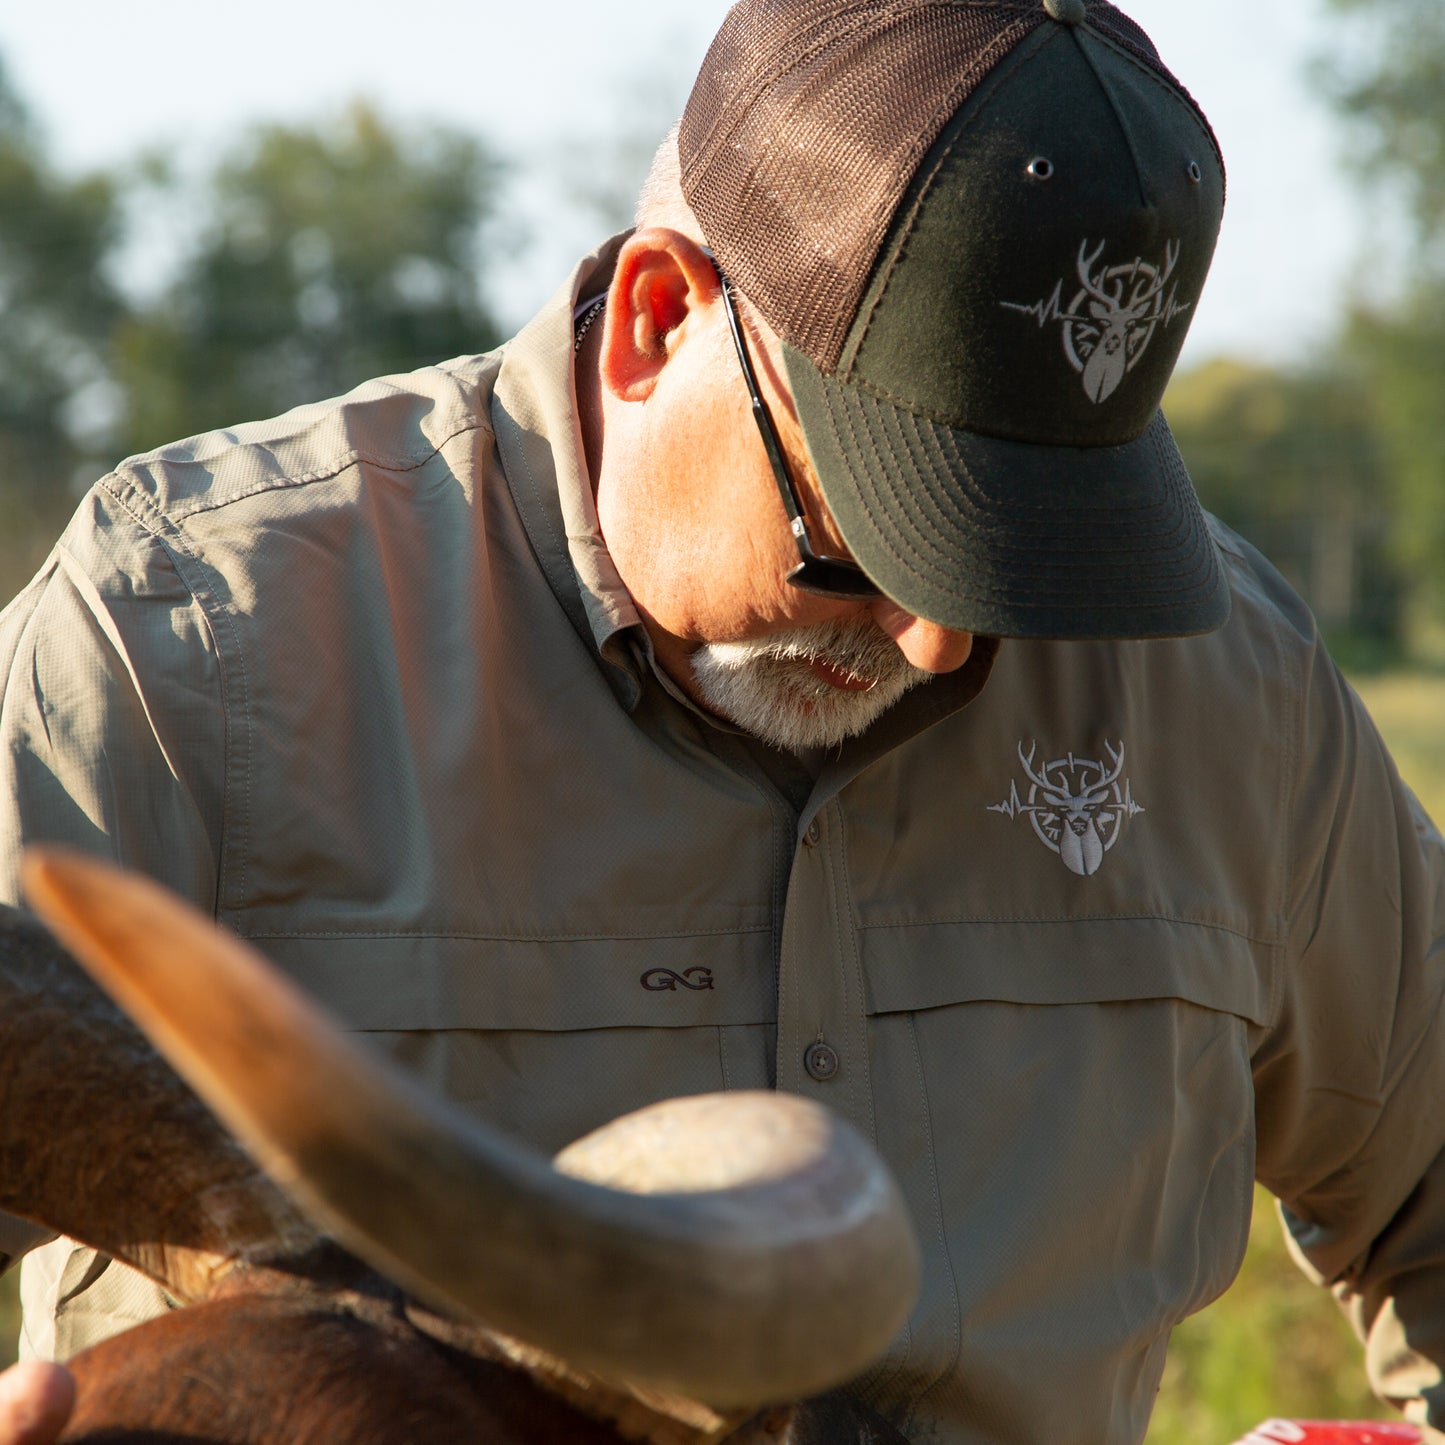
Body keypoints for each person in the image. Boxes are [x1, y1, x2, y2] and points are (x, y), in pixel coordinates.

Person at [3, 1, 1445, 1441]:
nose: (939, 636)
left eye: (1025, 556)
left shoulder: (1229, 689)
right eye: (865, 535)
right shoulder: (185, 640)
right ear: (655, 320)